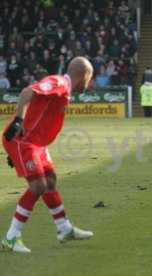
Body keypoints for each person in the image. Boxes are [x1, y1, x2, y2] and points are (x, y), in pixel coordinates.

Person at [1, 56, 94, 253]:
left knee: (50, 180)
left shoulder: (64, 89)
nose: (90, 82)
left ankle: (64, 229)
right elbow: (27, 92)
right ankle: (11, 237)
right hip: (24, 141)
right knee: (38, 186)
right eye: (90, 77)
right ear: (84, 75)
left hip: (37, 144)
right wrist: (18, 121)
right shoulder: (59, 83)